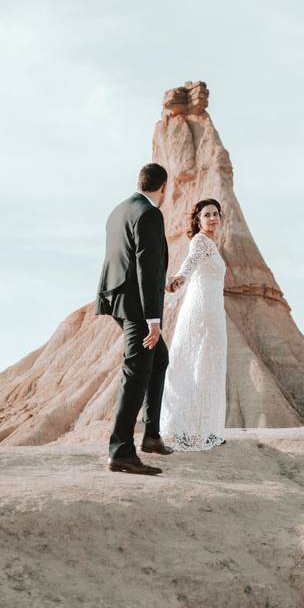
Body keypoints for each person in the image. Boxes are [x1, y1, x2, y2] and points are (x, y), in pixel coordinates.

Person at [95, 163, 175, 475]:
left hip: (114, 296)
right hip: (137, 306)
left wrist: (164, 282)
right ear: (163, 187)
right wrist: (153, 319)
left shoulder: (118, 211)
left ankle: (151, 436)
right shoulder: (150, 213)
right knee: (136, 370)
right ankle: (121, 451)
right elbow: (145, 264)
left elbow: (124, 257)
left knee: (159, 359)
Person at [161, 198, 228, 451]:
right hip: (202, 312)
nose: (212, 218)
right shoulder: (200, 241)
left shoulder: (212, 244)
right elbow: (189, 264)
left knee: (208, 365)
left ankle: (205, 430)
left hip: (213, 311)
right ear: (198, 220)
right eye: (207, 214)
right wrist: (179, 278)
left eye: (215, 214)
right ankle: (187, 430)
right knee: (198, 364)